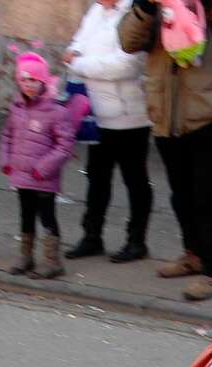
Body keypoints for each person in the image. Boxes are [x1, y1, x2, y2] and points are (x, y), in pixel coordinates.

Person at [119, 0, 212, 302]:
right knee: (181, 192)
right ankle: (194, 254)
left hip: (210, 108)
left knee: (209, 194)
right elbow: (127, 41)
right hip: (167, 113)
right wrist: (145, 7)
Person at [62, 0, 153, 264]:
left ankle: (136, 241)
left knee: (134, 181)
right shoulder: (96, 10)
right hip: (95, 113)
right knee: (96, 178)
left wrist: (79, 64)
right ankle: (92, 236)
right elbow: (77, 43)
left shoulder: (135, 12)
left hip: (129, 116)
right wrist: (75, 52)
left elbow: (126, 65)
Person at [0, 52, 77, 279]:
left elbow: (64, 146)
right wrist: (6, 161)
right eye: (23, 80)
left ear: (43, 81)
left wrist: (43, 168)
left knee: (47, 216)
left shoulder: (56, 112)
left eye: (33, 80)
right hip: (22, 175)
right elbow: (7, 136)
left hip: (43, 177)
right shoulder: (17, 108)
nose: (28, 85)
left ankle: (52, 261)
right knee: (25, 214)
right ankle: (26, 255)